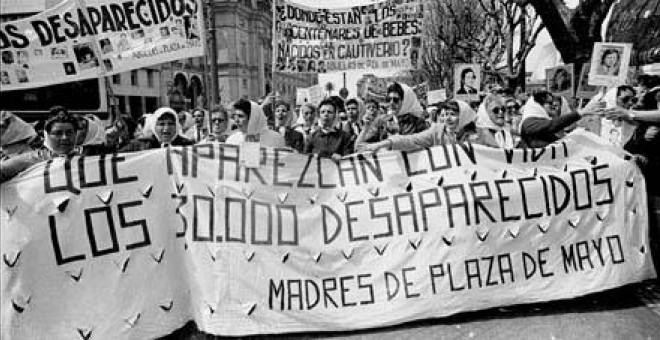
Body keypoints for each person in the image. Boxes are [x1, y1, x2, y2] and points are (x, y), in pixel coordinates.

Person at [359, 99, 478, 153]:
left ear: (464, 116)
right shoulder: (437, 131)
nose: (448, 118)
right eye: (446, 114)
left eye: (453, 114)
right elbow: (411, 140)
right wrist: (381, 144)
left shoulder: (477, 136)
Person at [1, 108, 79, 183]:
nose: (65, 138)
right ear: (47, 135)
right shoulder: (30, 160)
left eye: (70, 132)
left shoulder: (87, 159)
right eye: (58, 133)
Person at [355, 82, 429, 148]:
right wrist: (365, 129)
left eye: (395, 100)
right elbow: (358, 148)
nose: (391, 103)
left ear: (406, 101)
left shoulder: (418, 123)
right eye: (388, 99)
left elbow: (424, 145)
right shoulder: (382, 121)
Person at [519, 91, 603, 148]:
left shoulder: (542, 121)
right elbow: (552, 125)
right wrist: (580, 113)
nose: (553, 105)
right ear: (537, 105)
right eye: (549, 103)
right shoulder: (528, 124)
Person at [121, 107, 194, 152]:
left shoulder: (187, 146)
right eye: (161, 124)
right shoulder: (139, 146)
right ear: (154, 126)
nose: (166, 128)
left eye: (171, 124)